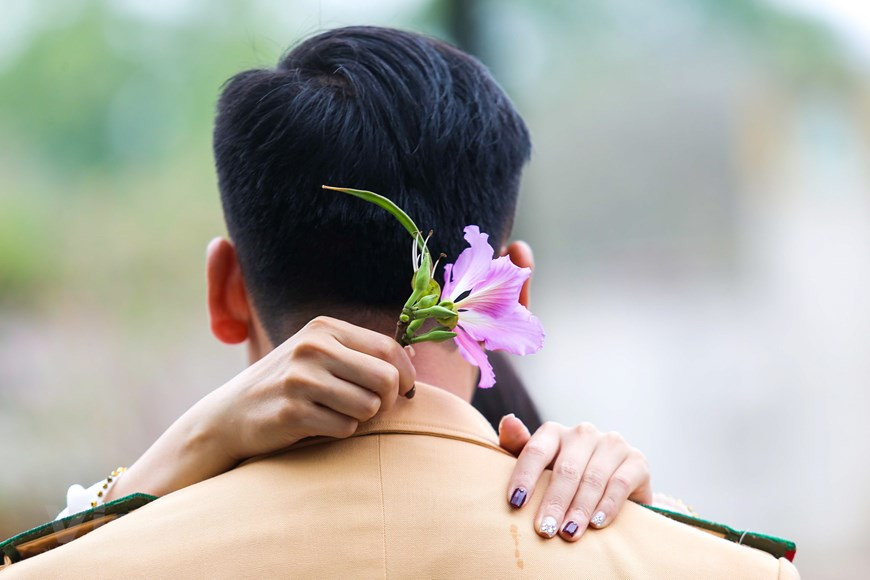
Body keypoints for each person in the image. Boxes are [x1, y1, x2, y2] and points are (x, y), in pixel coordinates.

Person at [3, 26, 797, 578]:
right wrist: (653, 534)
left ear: (226, 289)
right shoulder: (727, 570)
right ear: (510, 282)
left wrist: (150, 477)